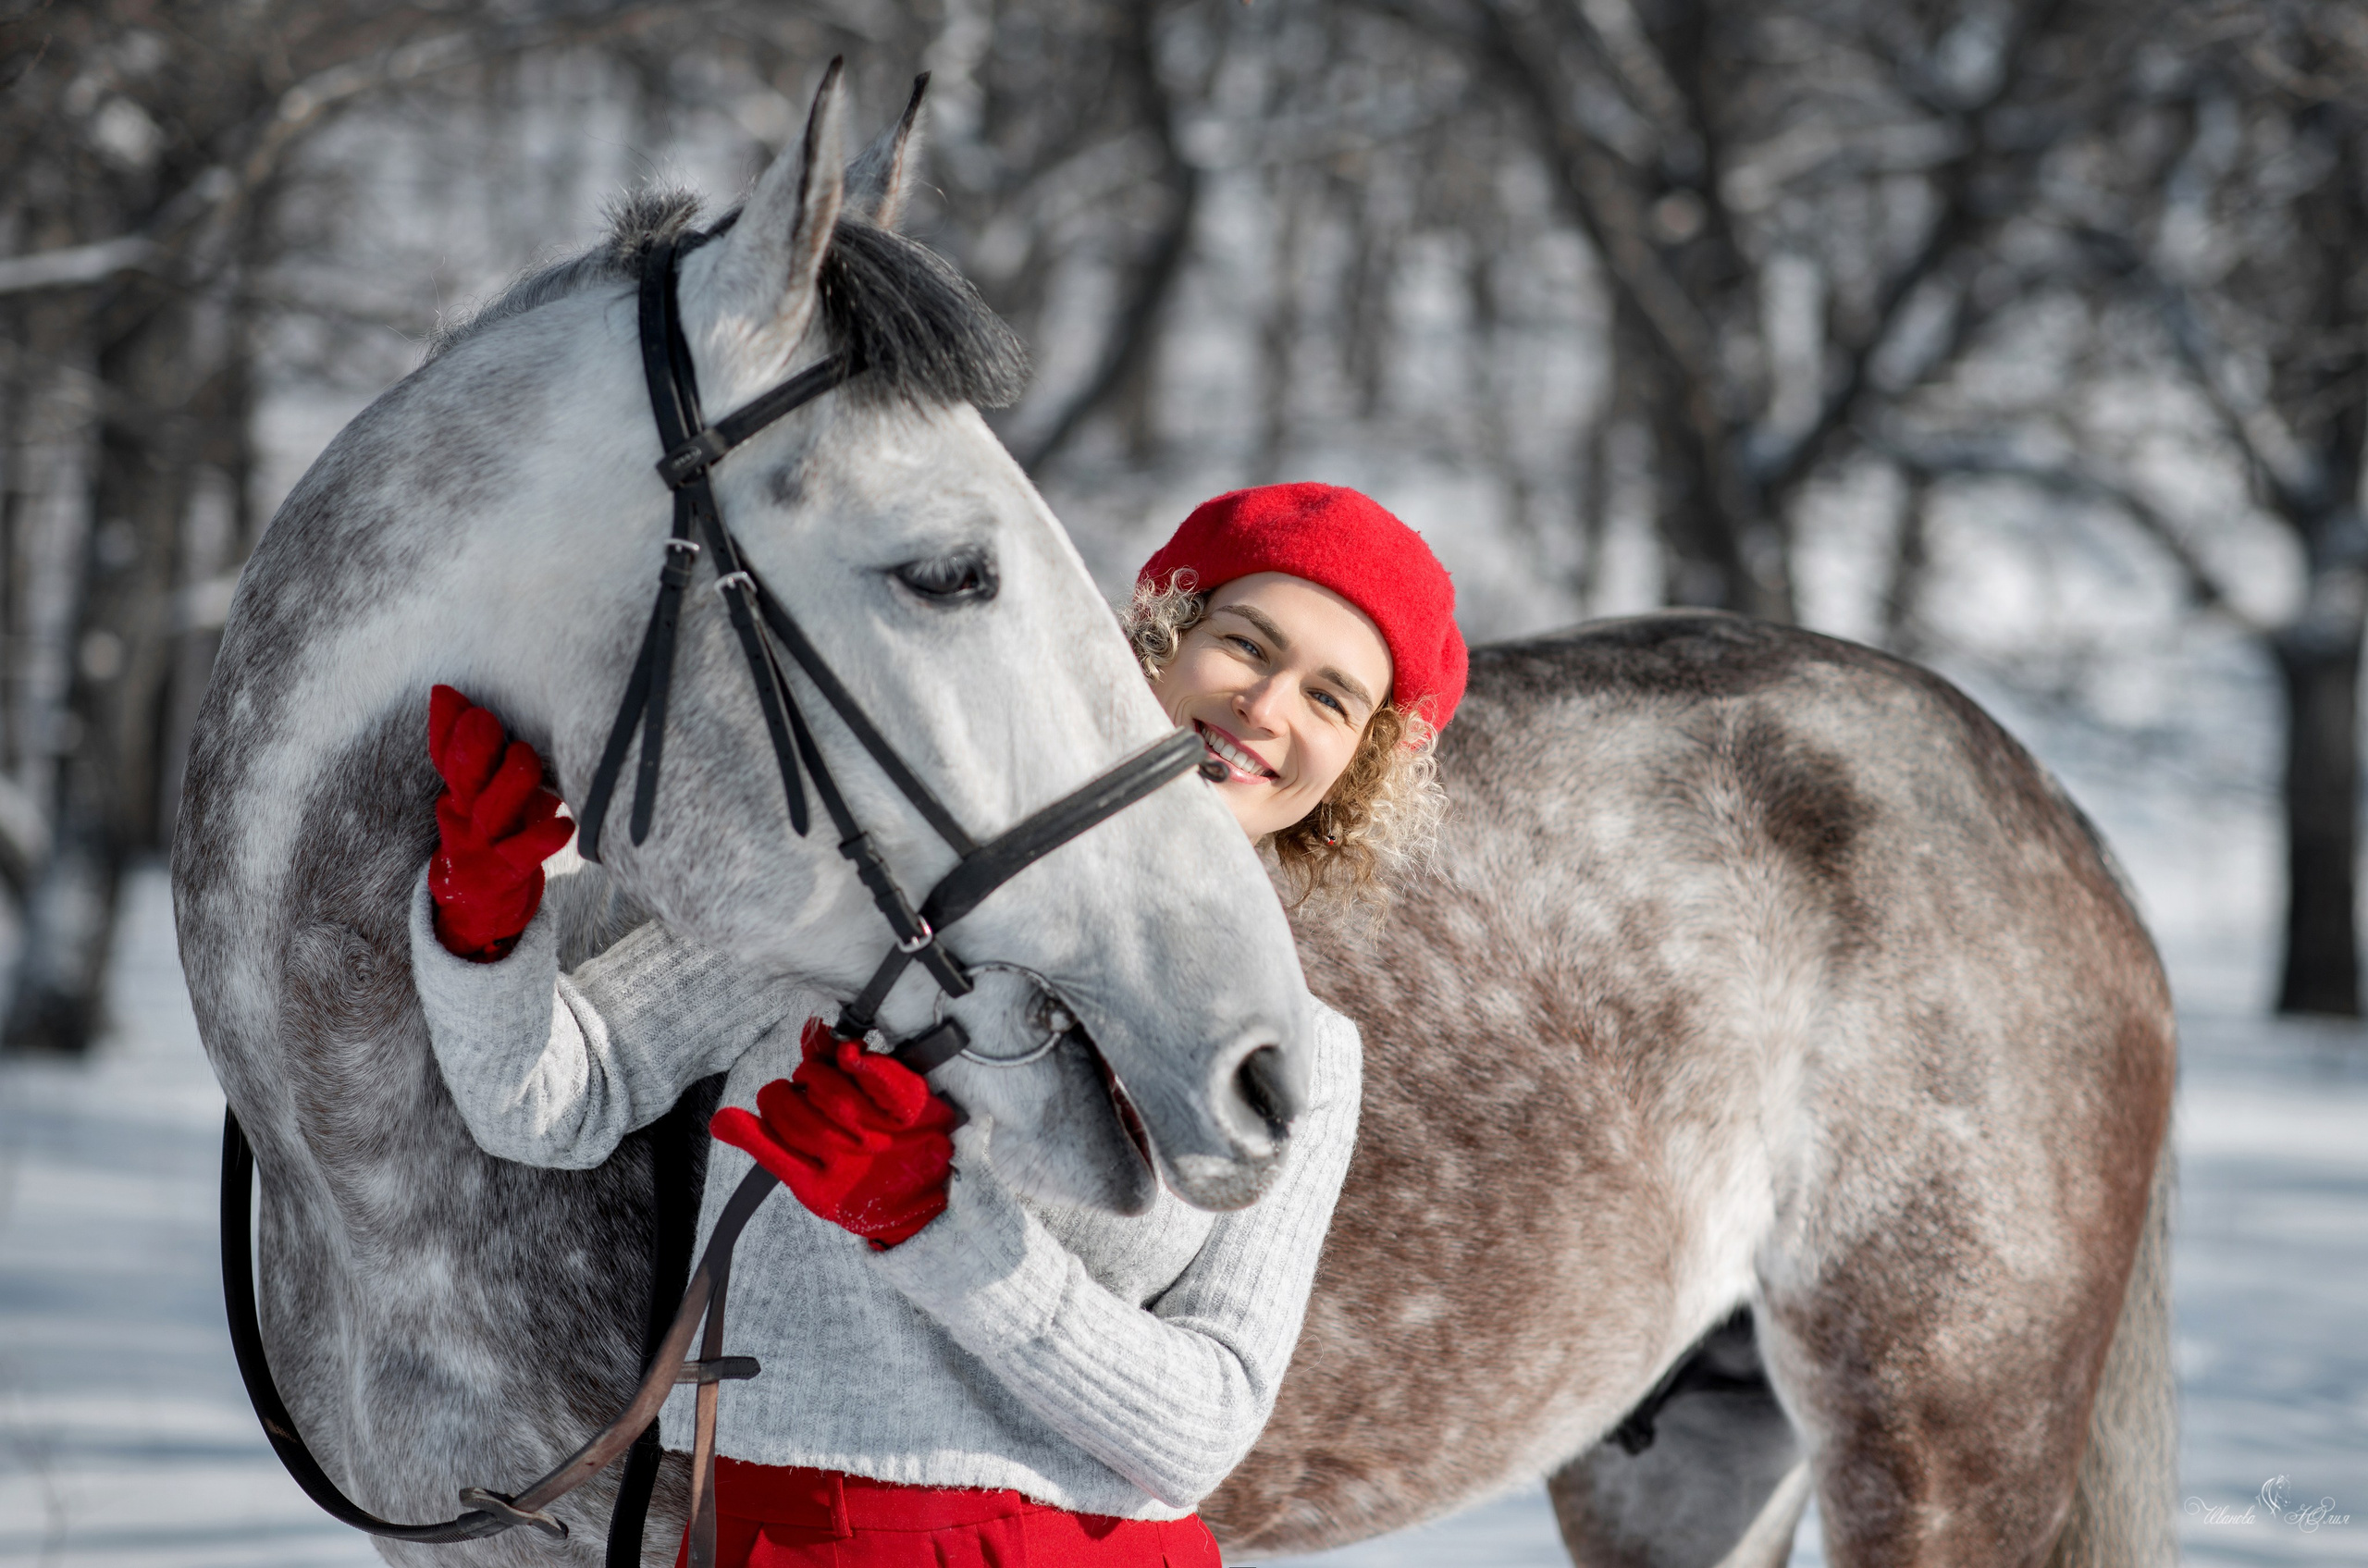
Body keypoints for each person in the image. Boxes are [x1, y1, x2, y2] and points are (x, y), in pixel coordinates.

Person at [411, 482, 1463, 1567]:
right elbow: (555, 1103)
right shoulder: (862, 889)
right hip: (783, 1543)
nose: (1267, 705)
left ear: (1356, 769)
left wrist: (928, 1220)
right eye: (1244, 643)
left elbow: (1203, 1428)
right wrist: (485, 922)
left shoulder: (1301, 1058)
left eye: (1330, 698)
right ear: (1155, 644)